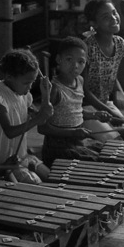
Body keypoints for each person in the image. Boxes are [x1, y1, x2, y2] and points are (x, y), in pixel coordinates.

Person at [0, 49, 53, 184]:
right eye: (26, 83)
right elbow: (9, 131)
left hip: (19, 154)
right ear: (9, 76)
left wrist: (46, 96)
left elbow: (42, 120)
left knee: (51, 178)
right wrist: (38, 118)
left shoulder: (24, 95)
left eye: (32, 82)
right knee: (37, 186)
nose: (30, 87)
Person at [38, 36, 113, 168]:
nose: (75, 66)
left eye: (81, 62)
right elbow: (42, 127)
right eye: (69, 60)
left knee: (110, 152)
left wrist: (95, 115)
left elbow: (73, 111)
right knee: (99, 163)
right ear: (58, 60)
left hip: (77, 141)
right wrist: (72, 132)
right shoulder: (55, 89)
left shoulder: (80, 81)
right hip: (58, 148)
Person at [82, 0, 124, 142]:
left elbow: (111, 76)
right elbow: (84, 91)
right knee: (116, 142)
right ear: (94, 23)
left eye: (114, 12)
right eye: (106, 16)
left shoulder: (120, 45)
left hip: (104, 103)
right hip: (85, 108)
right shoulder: (87, 48)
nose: (114, 18)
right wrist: (109, 112)